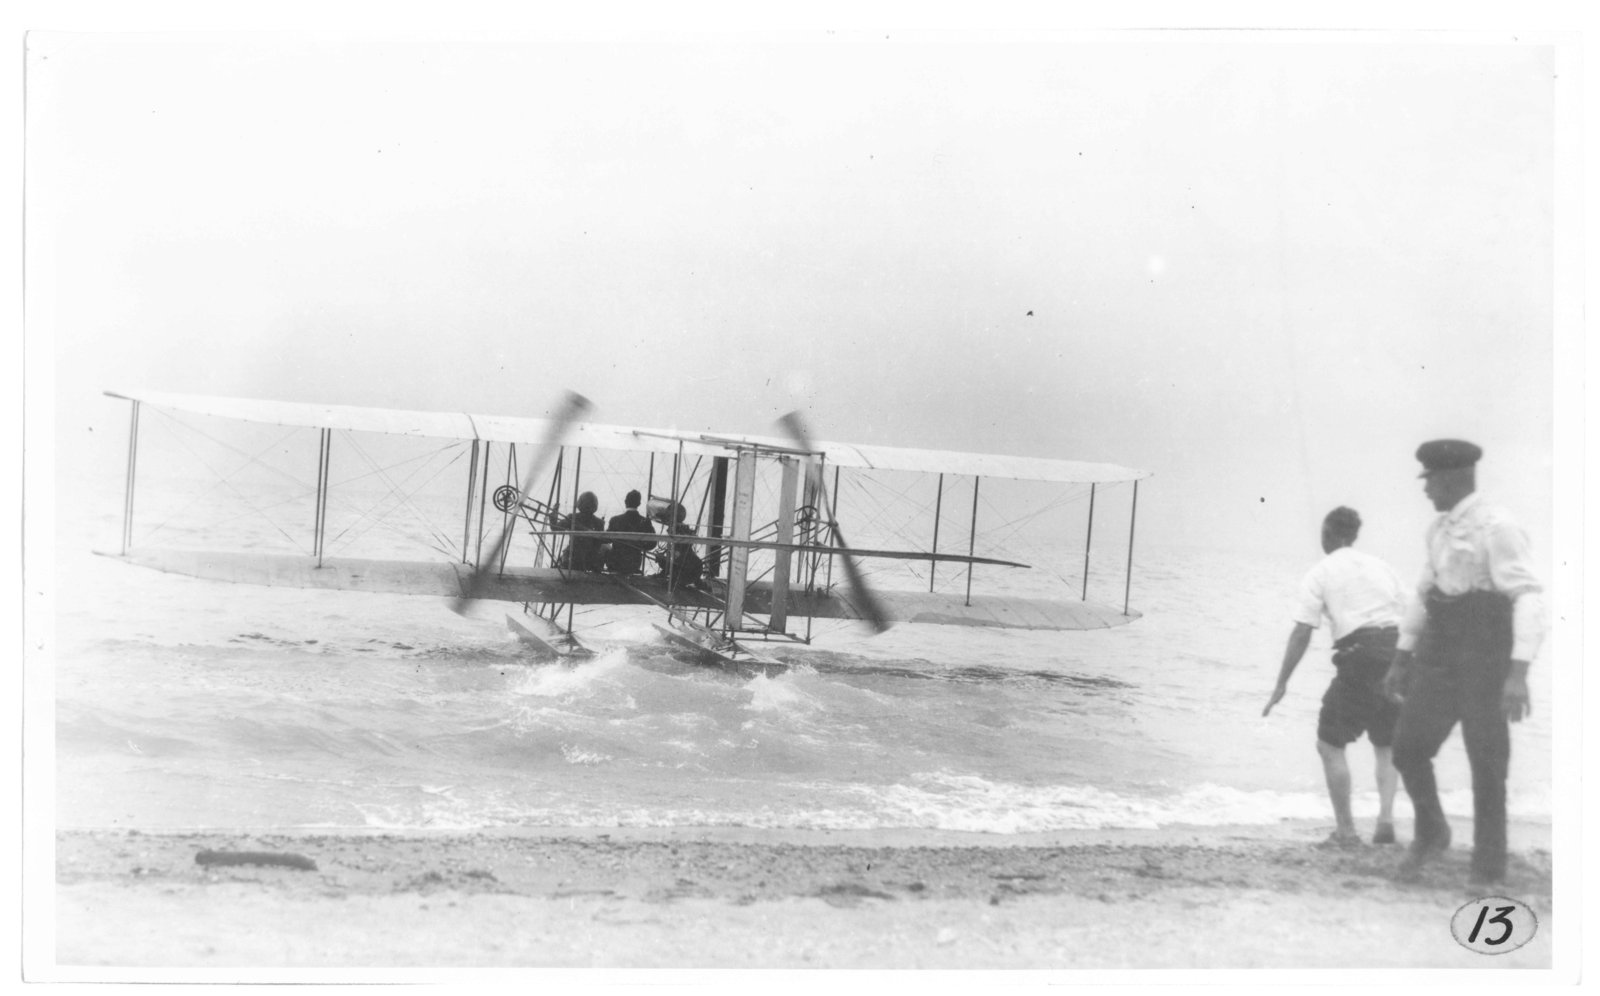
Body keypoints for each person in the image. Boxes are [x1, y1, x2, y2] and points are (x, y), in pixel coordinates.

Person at [1382, 439, 1545, 889]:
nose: (1425, 489)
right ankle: (1433, 830)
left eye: (1429, 479)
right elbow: (1422, 592)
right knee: (1408, 747)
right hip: (1440, 652)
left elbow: (1527, 597)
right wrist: (1401, 657)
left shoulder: (1499, 527)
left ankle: (1487, 868)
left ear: (1452, 477)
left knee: (1487, 763)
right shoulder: (1437, 531)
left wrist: (1518, 673)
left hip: (1487, 655)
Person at [1264, 506, 1406, 847]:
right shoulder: (1381, 566)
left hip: (1359, 655)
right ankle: (1385, 821)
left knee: (1330, 744)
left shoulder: (1320, 572)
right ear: (1353, 535)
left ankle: (1346, 832)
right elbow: (1411, 611)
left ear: (1329, 534)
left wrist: (1281, 682)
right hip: (1398, 654)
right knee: (1385, 743)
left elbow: (1302, 631)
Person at [651, 501, 703, 587]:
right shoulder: (684, 529)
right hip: (695, 567)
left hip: (686, 571)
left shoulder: (678, 532)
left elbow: (677, 557)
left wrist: (661, 559)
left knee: (660, 557)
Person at [552, 491, 606, 572]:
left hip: (573, 558)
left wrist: (554, 513)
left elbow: (555, 528)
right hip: (591, 560)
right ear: (595, 506)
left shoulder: (572, 517)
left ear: (580, 503)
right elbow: (598, 544)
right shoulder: (599, 522)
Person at [604, 489, 654, 575]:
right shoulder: (645, 521)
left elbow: (606, 540)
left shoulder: (615, 520)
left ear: (625, 502)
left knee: (605, 547)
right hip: (634, 563)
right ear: (639, 504)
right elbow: (652, 544)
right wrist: (639, 546)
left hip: (616, 562)